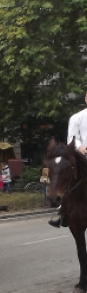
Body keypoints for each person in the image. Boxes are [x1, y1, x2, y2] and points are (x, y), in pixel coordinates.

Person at [50, 91, 87, 228]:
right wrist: (80, 147)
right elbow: (72, 138)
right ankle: (63, 212)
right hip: (82, 155)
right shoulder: (77, 117)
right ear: (85, 98)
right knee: (68, 179)